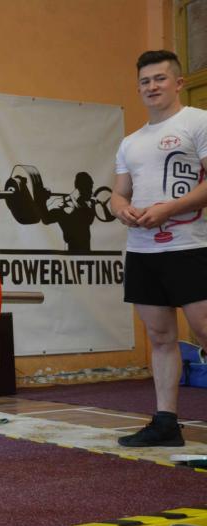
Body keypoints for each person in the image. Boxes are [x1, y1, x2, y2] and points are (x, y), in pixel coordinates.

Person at [110, 50, 207, 447]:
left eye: (160, 78)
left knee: (204, 330)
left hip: (192, 245)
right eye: (145, 81)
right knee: (160, 336)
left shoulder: (198, 122)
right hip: (144, 250)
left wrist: (169, 209)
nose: (152, 86)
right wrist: (122, 209)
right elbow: (118, 193)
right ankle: (166, 423)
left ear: (178, 83)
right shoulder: (130, 142)